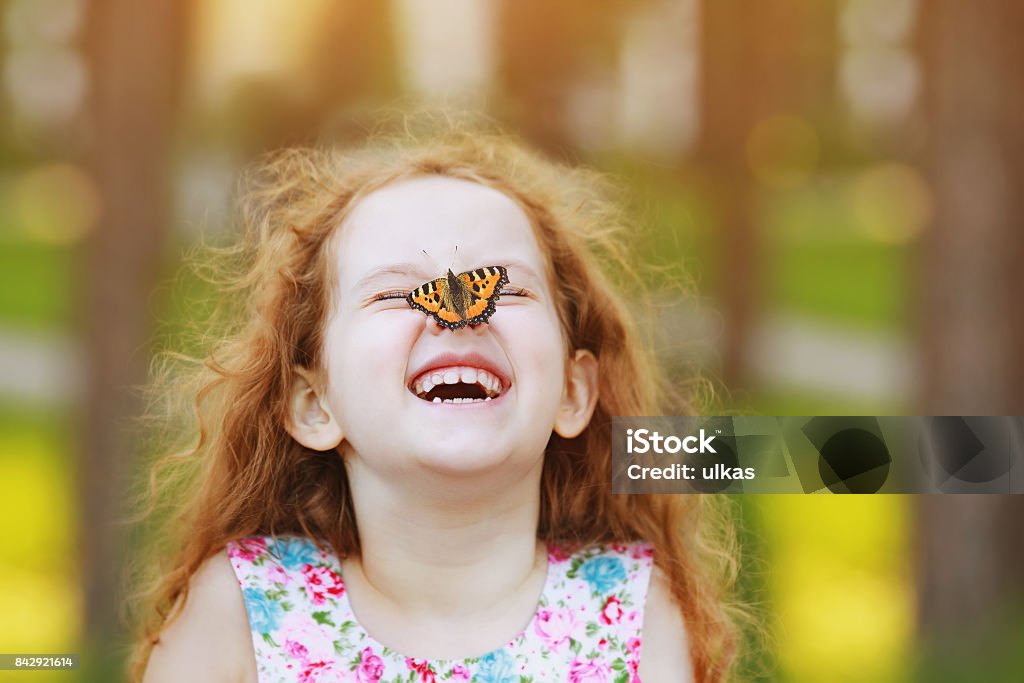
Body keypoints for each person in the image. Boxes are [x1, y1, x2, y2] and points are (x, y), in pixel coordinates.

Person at [131, 117, 743, 682]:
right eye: (397, 296)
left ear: (574, 391)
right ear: (315, 404)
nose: (457, 316)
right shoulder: (242, 609)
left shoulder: (631, 616)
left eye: (500, 288)